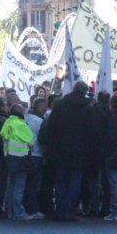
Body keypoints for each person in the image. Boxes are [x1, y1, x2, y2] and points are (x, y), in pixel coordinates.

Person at [37, 81, 102, 221]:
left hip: (60, 150)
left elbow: (52, 129)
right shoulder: (88, 108)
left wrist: (51, 148)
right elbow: (93, 133)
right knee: (74, 182)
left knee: (61, 181)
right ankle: (69, 209)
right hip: (80, 151)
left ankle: (60, 209)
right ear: (84, 92)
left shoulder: (60, 106)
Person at [0, 104, 40, 220]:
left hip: (9, 157)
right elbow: (31, 140)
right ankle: (18, 213)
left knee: (11, 186)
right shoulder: (20, 124)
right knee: (18, 187)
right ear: (20, 112)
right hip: (21, 158)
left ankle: (10, 211)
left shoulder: (8, 122)